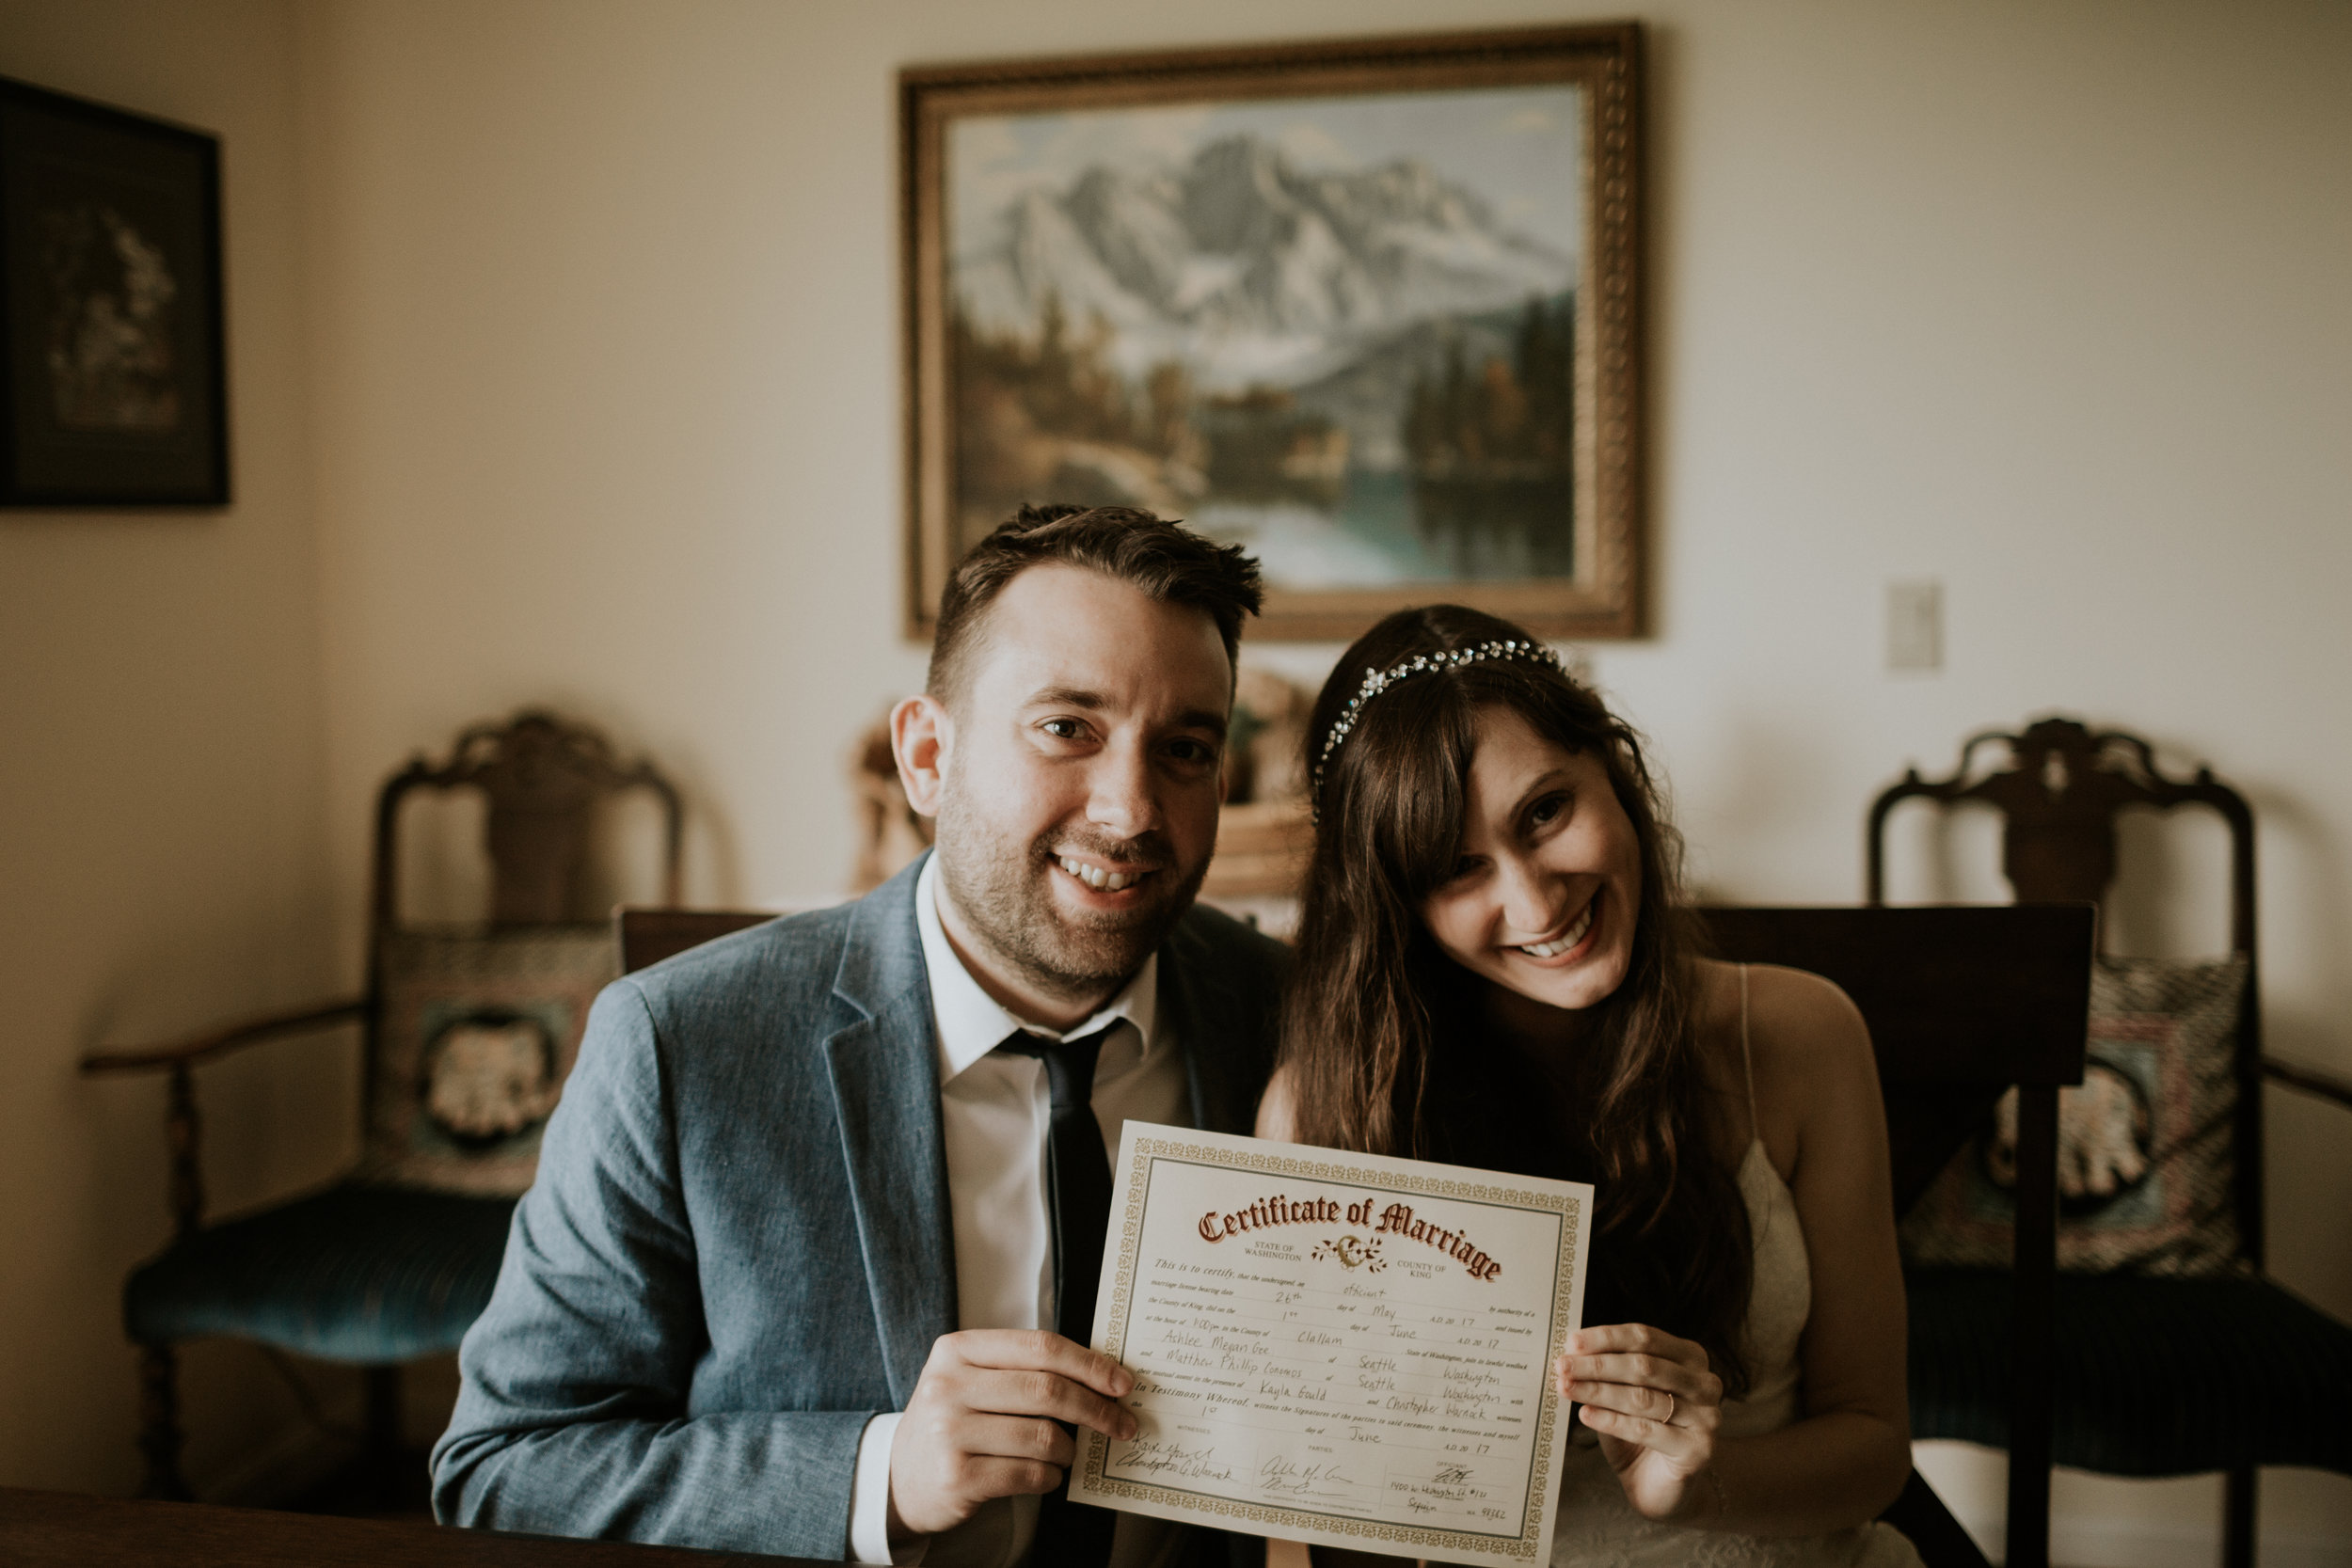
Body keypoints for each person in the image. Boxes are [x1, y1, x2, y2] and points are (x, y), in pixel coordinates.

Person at [434, 505, 1288, 1568]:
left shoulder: (1288, 1013)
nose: (1130, 809)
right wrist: (874, 1474)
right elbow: (503, 1467)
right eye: (1067, 727)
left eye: (1186, 747)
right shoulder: (677, 1046)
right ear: (927, 756)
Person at [1259, 605, 1924, 1568]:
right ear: (1395, 907)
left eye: (1544, 812)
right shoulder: (1321, 1109)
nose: (1534, 899)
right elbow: (1300, 1516)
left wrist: (1694, 1480)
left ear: (1615, 771)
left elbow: (1872, 1444)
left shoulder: (1802, 1034)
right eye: (1455, 867)